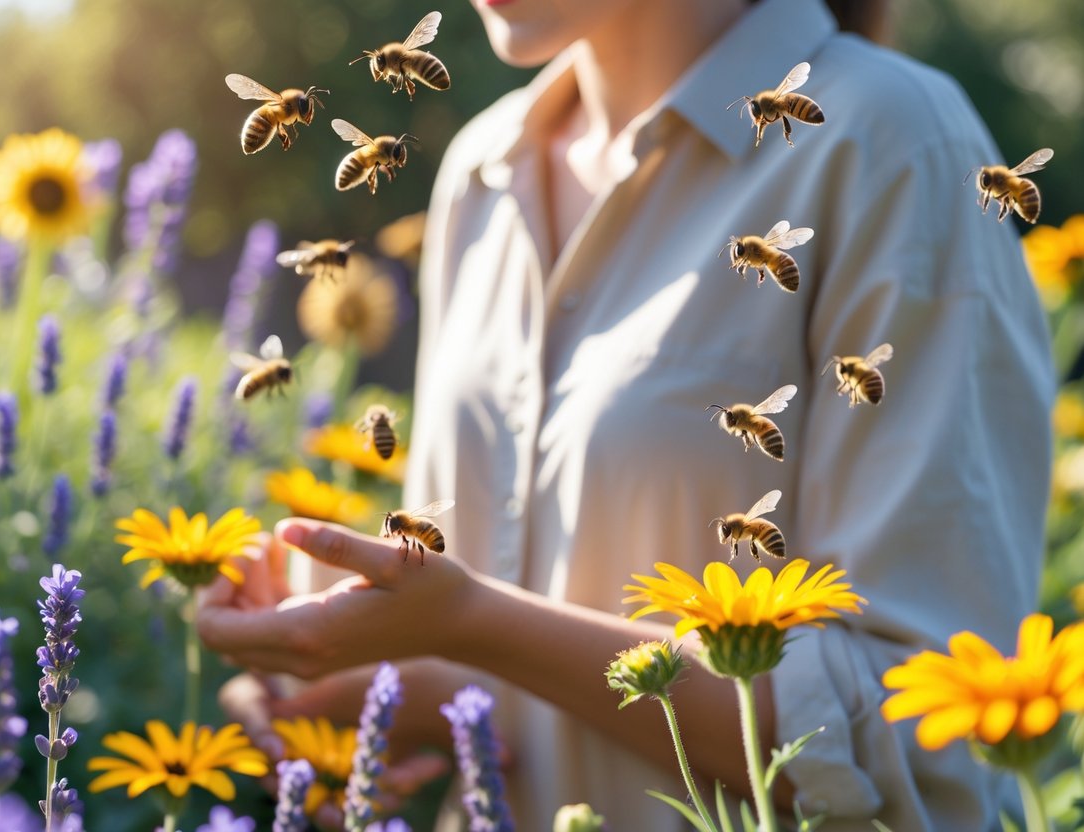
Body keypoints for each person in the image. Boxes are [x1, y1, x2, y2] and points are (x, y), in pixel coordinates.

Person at [197, 0, 1054, 828]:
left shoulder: (892, 141)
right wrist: (357, 692)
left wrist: (468, 623)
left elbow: (921, 734)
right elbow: (503, 616)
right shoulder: (480, 171)